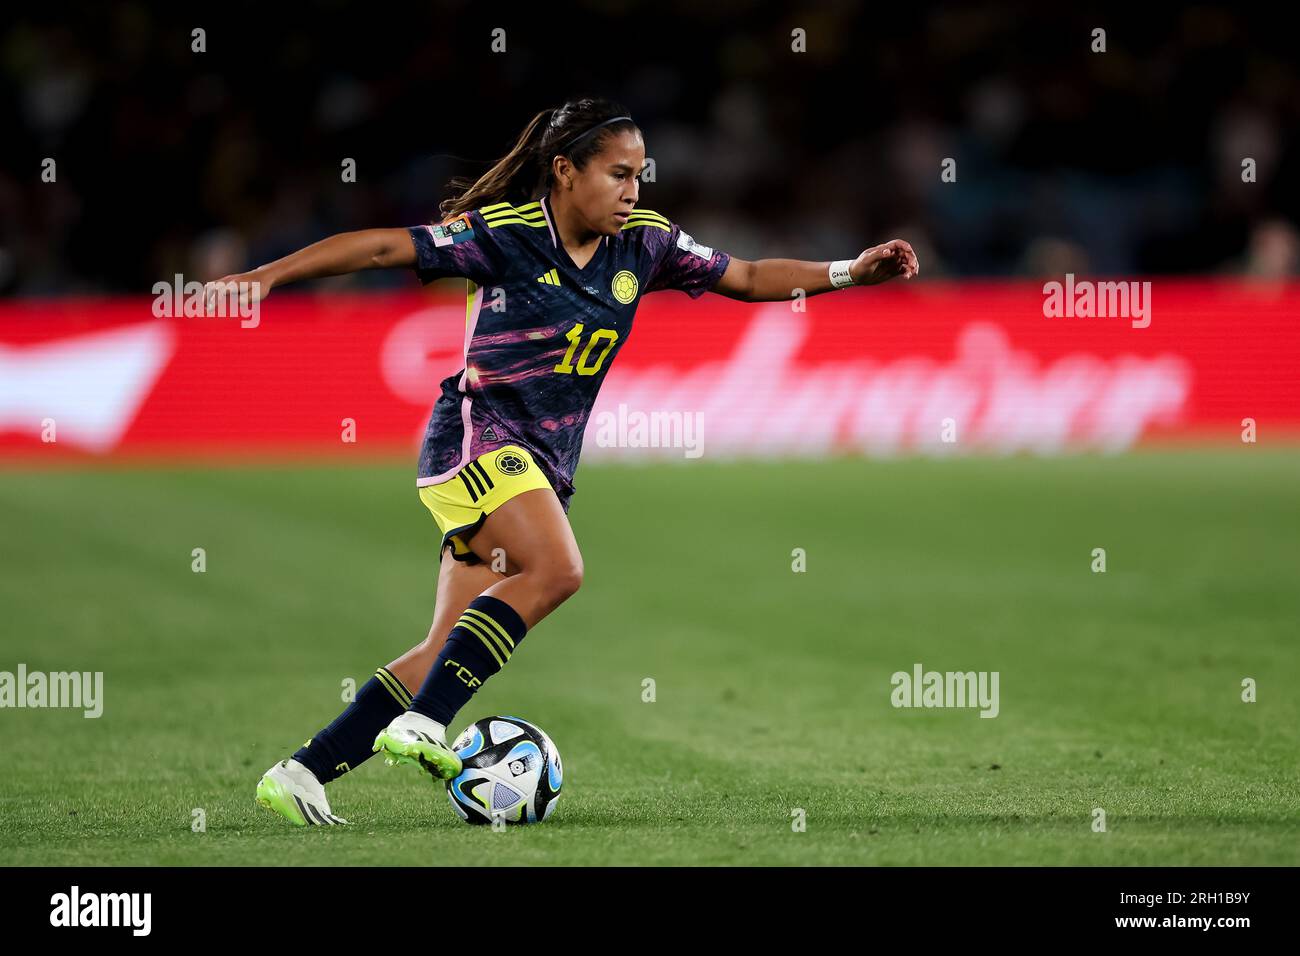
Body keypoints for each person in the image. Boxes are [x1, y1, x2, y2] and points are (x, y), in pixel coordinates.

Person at [206, 96, 917, 826]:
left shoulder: (646, 242)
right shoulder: (504, 235)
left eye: (640, 175)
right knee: (559, 570)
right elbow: (388, 247)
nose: (633, 191)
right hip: (476, 440)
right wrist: (267, 278)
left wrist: (847, 273)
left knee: (442, 651)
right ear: (564, 171)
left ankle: (301, 772)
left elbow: (747, 275)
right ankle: (422, 727)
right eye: (617, 174)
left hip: (543, 464)